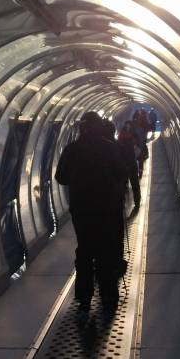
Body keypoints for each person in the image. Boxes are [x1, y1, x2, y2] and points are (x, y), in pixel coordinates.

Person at [55, 112, 127, 308]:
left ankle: (84, 296)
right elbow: (122, 174)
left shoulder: (72, 149)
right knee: (106, 248)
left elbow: (60, 177)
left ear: (82, 128)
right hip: (107, 207)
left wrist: (77, 178)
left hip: (81, 208)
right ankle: (108, 295)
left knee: (85, 249)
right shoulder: (110, 148)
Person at [116, 121, 141, 209]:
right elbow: (137, 147)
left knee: (124, 184)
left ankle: (123, 203)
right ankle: (137, 202)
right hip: (132, 163)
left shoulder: (120, 139)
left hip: (124, 164)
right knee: (135, 184)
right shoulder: (133, 137)